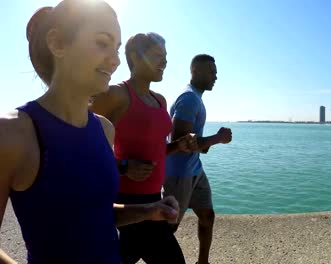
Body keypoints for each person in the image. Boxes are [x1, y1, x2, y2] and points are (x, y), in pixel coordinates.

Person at [0, 1, 179, 263]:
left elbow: (94, 214)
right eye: (102, 43)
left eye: (117, 48)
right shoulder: (14, 133)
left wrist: (149, 210)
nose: (116, 60)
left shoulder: (104, 129)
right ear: (58, 43)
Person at [90, 32, 196, 264]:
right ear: (135, 58)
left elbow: (156, 151)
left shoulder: (160, 100)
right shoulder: (116, 95)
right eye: (158, 55)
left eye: (166, 56)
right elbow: (81, 147)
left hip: (153, 201)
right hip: (124, 204)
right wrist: (123, 166)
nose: (165, 62)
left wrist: (178, 146)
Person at [164, 54, 232, 264]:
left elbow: (196, 145)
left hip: (194, 170)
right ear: (196, 71)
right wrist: (218, 138)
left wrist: (210, 142)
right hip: (179, 175)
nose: (216, 77)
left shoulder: (195, 98)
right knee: (168, 227)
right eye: (212, 71)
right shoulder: (189, 99)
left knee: (207, 216)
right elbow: (180, 142)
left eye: (216, 72)